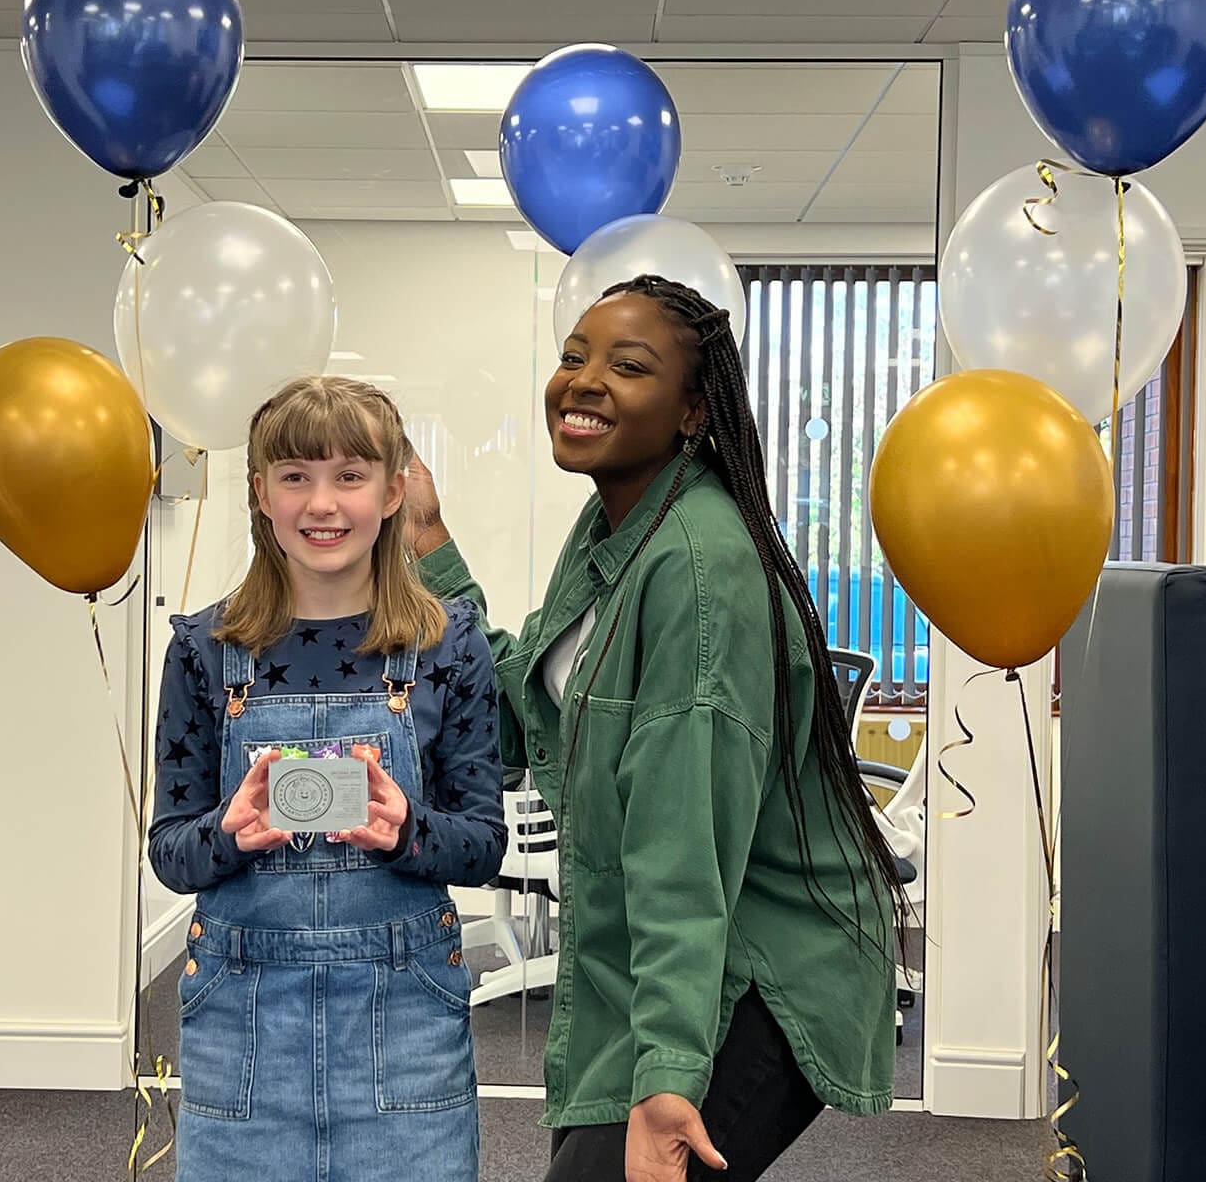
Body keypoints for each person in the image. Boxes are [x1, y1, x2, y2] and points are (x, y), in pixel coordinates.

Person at [405, 276, 905, 1182]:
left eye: (628, 367)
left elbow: (685, 844)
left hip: (762, 956)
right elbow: (538, 702)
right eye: (573, 356)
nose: (584, 381)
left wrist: (670, 1072)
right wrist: (431, 547)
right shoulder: (617, 524)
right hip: (669, 946)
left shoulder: (696, 568)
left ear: (692, 411)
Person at [149, 376, 506, 1182]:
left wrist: (407, 830)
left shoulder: (451, 649)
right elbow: (170, 853)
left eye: (349, 476)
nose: (323, 503)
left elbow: (482, 845)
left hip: (404, 1023)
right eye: (296, 476)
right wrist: (226, 833)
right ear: (259, 494)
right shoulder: (204, 651)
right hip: (241, 1026)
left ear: (394, 489)